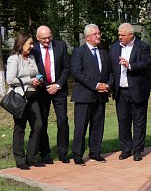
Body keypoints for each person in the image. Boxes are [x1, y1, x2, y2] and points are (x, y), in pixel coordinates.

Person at [71, 24, 112, 166]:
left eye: (99, 33)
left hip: (101, 96)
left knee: (98, 125)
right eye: (95, 34)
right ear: (87, 37)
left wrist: (108, 85)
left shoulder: (103, 52)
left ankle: (95, 152)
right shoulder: (79, 52)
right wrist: (95, 86)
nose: (98, 36)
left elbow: (110, 72)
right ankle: (77, 154)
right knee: (81, 126)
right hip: (84, 95)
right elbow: (77, 72)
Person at [109, 23, 151, 161]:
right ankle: (126, 149)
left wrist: (130, 65)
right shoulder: (114, 48)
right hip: (121, 91)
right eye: (119, 35)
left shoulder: (142, 46)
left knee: (139, 121)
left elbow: (145, 63)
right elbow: (111, 69)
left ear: (131, 35)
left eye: (122, 35)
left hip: (138, 90)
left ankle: (138, 150)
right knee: (123, 121)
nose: (119, 37)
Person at [32, 26, 71, 164]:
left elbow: (67, 67)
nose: (47, 40)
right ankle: (45, 153)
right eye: (44, 38)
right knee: (42, 121)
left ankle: (63, 152)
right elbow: (33, 70)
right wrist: (46, 86)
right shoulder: (34, 49)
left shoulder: (61, 45)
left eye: (49, 37)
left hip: (59, 89)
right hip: (42, 90)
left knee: (62, 120)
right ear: (37, 38)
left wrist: (57, 85)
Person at [6, 33, 44, 170]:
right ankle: (20, 159)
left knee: (38, 125)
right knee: (20, 128)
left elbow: (36, 73)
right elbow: (10, 80)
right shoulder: (13, 59)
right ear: (21, 44)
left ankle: (31, 157)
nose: (32, 46)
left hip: (33, 95)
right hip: (20, 98)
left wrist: (39, 80)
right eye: (30, 43)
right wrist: (29, 80)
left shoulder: (32, 57)